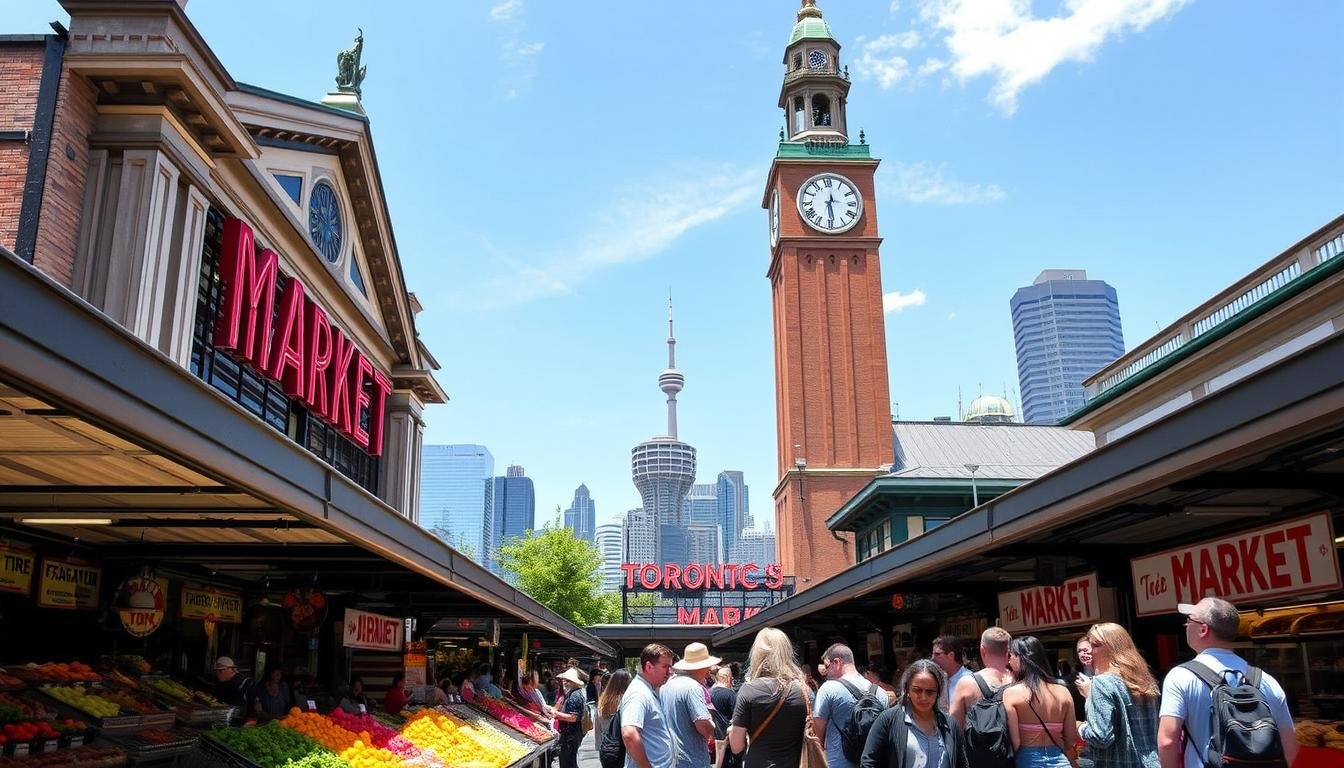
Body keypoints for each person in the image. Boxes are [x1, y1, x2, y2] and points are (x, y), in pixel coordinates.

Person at [1157, 597, 1297, 768]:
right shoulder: (1267, 681)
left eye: (1189, 621)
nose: (1186, 626)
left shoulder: (1180, 677)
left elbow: (1167, 741)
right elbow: (1290, 749)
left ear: (1203, 629)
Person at [1075, 622, 1159, 768]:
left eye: (1095, 645)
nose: (1090, 651)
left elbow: (1100, 736)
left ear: (1112, 648)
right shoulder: (1143, 680)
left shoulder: (1102, 682)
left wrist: (1079, 726)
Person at [860, 658, 969, 768]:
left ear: (938, 693)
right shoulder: (889, 720)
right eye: (917, 690)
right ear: (907, 689)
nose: (923, 697)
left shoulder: (949, 725)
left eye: (930, 692)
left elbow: (962, 763)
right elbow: (868, 762)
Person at [728, 627, 808, 768]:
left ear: (757, 654)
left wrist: (733, 732)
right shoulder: (804, 690)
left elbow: (736, 747)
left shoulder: (749, 690)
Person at [1002, 636, 1078, 768]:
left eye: (1011, 655)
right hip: (1060, 760)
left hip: (1027, 760)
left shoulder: (1011, 693)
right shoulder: (1063, 691)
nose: (1009, 660)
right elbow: (1071, 739)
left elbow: (1016, 742)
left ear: (1021, 658)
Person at [815, 643, 889, 768]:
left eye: (827, 667)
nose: (825, 673)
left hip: (837, 763)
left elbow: (817, 736)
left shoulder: (828, 689)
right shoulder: (881, 693)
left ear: (837, 663)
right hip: (872, 763)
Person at [664, 642, 721, 768]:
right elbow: (703, 726)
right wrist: (713, 727)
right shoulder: (693, 687)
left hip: (672, 760)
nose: (709, 670)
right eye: (707, 666)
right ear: (699, 667)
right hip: (692, 760)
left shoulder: (667, 685)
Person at [623, 643, 677, 768]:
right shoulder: (638, 693)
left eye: (670, 667)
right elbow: (629, 734)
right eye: (665, 666)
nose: (669, 672)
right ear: (648, 667)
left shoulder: (647, 690)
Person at [949, 627, 1014, 729]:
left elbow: (954, 726)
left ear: (983, 650)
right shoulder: (1020, 680)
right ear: (1009, 651)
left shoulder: (967, 683)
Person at [555, 668, 588, 768]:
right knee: (569, 760)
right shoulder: (575, 693)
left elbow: (573, 717)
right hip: (572, 733)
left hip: (571, 733)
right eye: (564, 680)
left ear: (574, 682)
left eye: (568, 680)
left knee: (568, 761)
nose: (565, 682)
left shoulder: (574, 695)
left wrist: (556, 714)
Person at [931, 636, 971, 713]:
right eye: (933, 654)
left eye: (937, 654)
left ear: (951, 655)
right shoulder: (938, 679)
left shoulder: (969, 680)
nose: (932, 658)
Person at [598, 668, 633, 751]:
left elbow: (598, 724)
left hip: (606, 744)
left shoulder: (603, 699)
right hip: (622, 745)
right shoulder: (626, 699)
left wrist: (599, 745)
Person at [710, 666, 738, 743]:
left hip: (711, 738)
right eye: (731, 679)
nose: (732, 682)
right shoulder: (730, 694)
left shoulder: (708, 692)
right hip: (726, 739)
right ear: (726, 678)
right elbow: (738, 716)